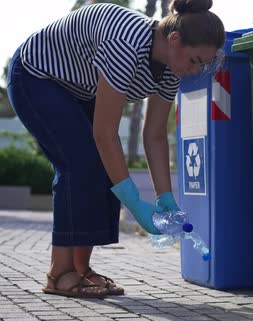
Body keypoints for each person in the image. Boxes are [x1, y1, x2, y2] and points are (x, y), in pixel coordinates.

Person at [6, 0, 225, 298]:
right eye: (196, 60)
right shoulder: (125, 45)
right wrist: (134, 203)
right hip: (37, 76)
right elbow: (105, 134)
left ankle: (81, 270)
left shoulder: (173, 68)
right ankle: (59, 274)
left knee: (108, 167)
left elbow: (155, 135)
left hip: (80, 87)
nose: (196, 69)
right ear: (174, 40)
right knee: (80, 165)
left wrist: (166, 199)